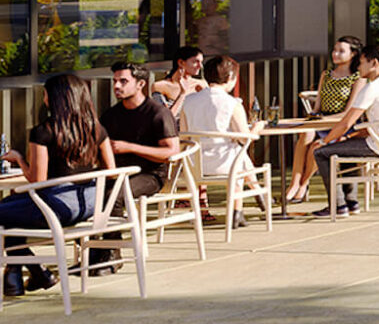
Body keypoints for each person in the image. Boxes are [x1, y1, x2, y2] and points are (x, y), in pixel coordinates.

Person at [3, 74, 115, 297]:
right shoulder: (97, 129)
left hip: (56, 208)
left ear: (54, 99)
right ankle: (16, 277)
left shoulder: (43, 131)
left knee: (6, 211)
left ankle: (35, 270)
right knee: (10, 209)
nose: (43, 98)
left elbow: (38, 181)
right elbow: (111, 171)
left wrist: (19, 160)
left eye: (45, 94)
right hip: (89, 206)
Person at [306, 46, 379, 217]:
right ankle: (351, 203)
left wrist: (324, 141)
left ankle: (337, 205)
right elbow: (369, 125)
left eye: (362, 63)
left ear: (374, 63)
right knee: (343, 146)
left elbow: (346, 122)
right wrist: (345, 137)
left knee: (321, 152)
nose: (358, 67)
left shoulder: (372, 88)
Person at [285, 37, 365, 205]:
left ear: (353, 54)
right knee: (305, 134)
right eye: (334, 50)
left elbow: (347, 113)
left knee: (317, 145)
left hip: (342, 125)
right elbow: (317, 106)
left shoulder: (358, 78)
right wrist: (313, 117)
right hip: (321, 120)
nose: (335, 54)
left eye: (341, 51)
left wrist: (323, 119)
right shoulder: (326, 74)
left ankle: (304, 184)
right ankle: (295, 183)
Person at [103, 62, 182, 202]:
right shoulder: (111, 114)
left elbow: (172, 152)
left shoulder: (158, 113)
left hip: (150, 175)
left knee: (113, 194)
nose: (116, 86)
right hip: (117, 172)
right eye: (115, 81)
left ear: (140, 84)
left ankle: (116, 224)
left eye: (123, 81)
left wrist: (129, 147)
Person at [179, 55, 257, 185]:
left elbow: (184, 137)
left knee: (239, 155)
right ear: (230, 78)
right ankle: (244, 199)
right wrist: (257, 128)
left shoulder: (188, 101)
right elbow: (244, 138)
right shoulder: (232, 103)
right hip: (225, 164)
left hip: (195, 164)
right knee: (239, 153)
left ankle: (258, 194)